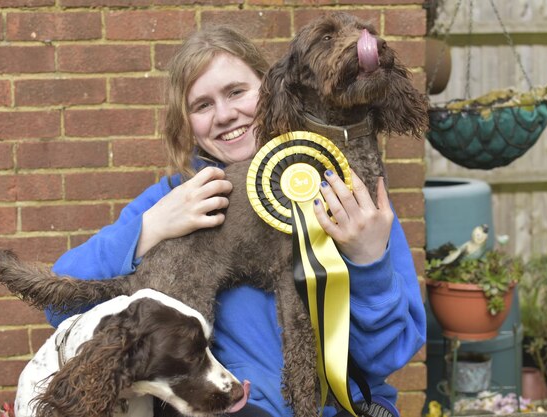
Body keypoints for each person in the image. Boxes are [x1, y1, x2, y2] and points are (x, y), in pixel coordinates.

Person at [47, 25, 426, 417]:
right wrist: (149, 228)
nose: (226, 115)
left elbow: (390, 355)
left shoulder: (344, 188)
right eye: (202, 106)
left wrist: (368, 263)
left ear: (272, 87)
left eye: (236, 92)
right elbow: (59, 308)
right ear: (186, 122)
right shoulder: (176, 197)